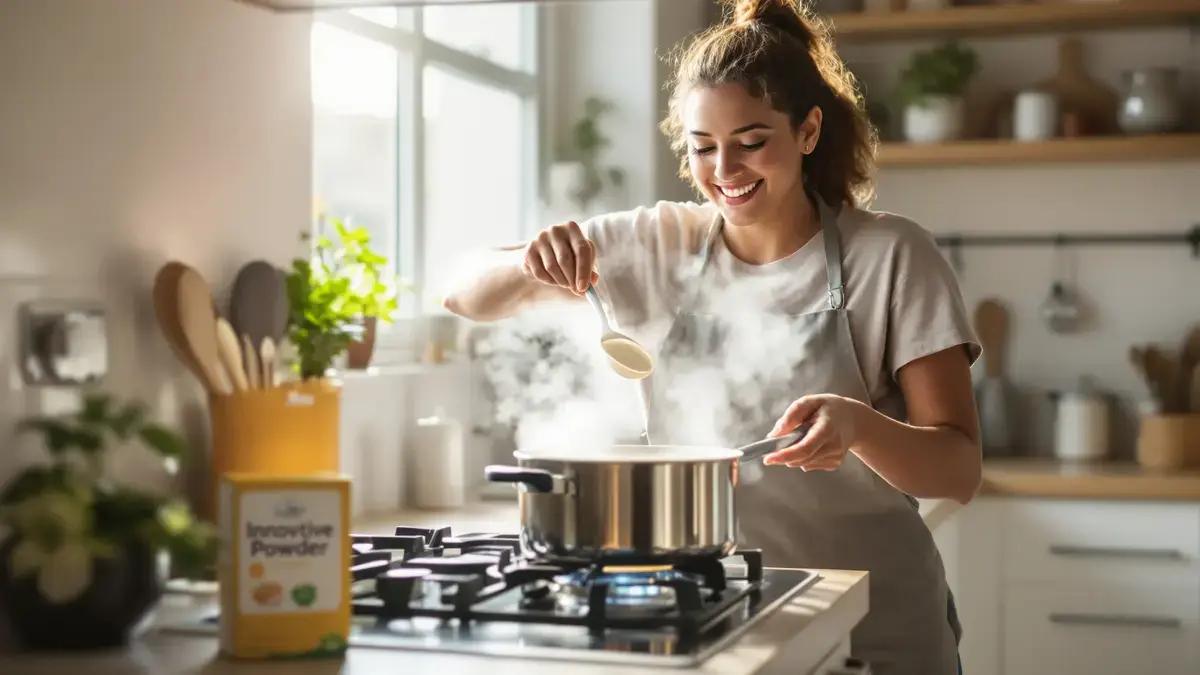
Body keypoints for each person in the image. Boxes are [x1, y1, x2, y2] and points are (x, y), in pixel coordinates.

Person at [442, 0, 982, 672]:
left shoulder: (894, 256)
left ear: (808, 130)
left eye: (751, 141)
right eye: (703, 148)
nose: (725, 169)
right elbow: (461, 290)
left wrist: (861, 428)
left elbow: (959, 469)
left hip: (878, 627)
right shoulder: (664, 243)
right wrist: (529, 260)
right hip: (720, 629)